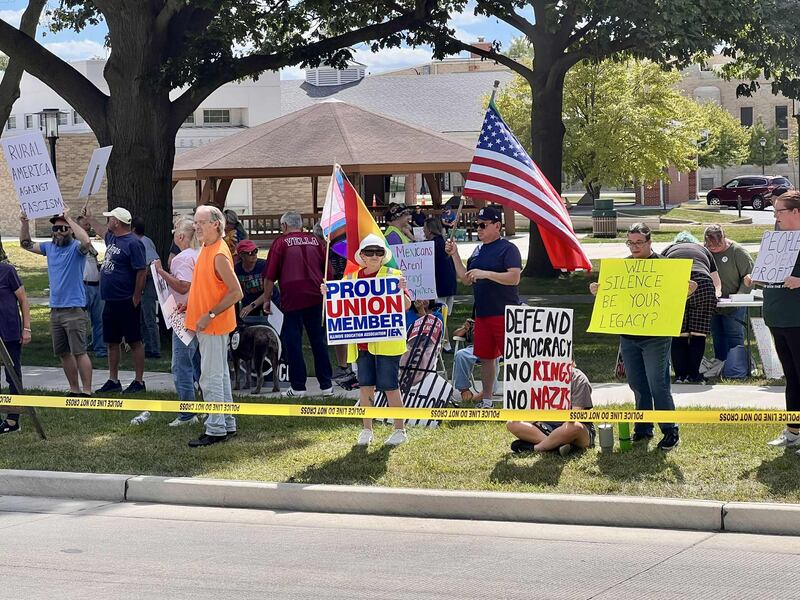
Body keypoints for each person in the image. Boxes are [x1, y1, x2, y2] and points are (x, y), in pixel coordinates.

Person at [589, 223, 688, 452]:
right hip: (629, 336)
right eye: (630, 242)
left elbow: (673, 300)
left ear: (650, 242)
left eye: (639, 242)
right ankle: (643, 429)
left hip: (656, 337)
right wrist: (600, 292)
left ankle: (670, 430)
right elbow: (617, 301)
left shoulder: (664, 267)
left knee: (658, 384)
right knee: (637, 384)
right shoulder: (622, 269)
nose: (634, 247)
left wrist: (686, 291)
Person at [323, 234, 411, 446]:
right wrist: (327, 293)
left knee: (391, 386)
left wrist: (401, 291)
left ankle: (400, 430)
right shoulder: (350, 279)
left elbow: (407, 305)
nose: (374, 256)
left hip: (387, 344)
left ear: (384, 255)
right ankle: (366, 429)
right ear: (361, 255)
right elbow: (338, 306)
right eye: (369, 252)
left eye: (378, 252)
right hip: (362, 344)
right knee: (365, 387)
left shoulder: (394, 275)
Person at [445, 206, 521, 409]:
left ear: (497, 226)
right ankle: (487, 401)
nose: (478, 228)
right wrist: (455, 254)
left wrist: (486, 274)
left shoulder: (508, 248)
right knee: (487, 359)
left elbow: (514, 277)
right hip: (483, 314)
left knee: (514, 359)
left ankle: (518, 401)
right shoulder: (477, 251)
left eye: (482, 225)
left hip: (505, 313)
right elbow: (465, 278)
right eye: (476, 225)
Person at [185, 205, 243, 447]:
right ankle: (226, 423)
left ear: (215, 224)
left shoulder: (218, 253)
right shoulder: (208, 249)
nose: (196, 227)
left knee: (210, 377)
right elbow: (205, 288)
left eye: (201, 222)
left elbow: (236, 292)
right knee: (217, 375)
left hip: (214, 325)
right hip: (211, 324)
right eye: (195, 222)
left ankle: (216, 427)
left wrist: (208, 314)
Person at [20, 208, 94, 396]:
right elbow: (25, 244)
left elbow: (86, 241)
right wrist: (25, 223)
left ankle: (87, 391)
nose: (59, 232)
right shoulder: (49, 248)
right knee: (63, 352)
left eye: (63, 228)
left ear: (70, 230)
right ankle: (74, 389)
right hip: (55, 310)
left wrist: (69, 218)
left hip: (74, 310)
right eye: (56, 229)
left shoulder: (77, 249)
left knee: (79, 352)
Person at [749, 191, 800, 451]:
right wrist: (755, 276)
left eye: (780, 211)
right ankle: (793, 431)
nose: (776, 217)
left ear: (795, 212)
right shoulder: (776, 241)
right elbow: (769, 271)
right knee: (791, 377)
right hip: (777, 316)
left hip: (797, 319)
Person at [263, 211, 333, 397]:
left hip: (292, 299)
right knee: (319, 341)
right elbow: (329, 272)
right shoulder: (316, 241)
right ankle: (326, 385)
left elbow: (270, 276)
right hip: (317, 297)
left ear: (285, 226)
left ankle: (298, 387)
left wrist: (267, 299)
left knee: (293, 342)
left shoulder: (280, 243)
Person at [86, 207, 148, 395]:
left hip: (126, 299)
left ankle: (139, 381)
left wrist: (136, 296)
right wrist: (89, 218)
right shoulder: (113, 238)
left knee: (134, 340)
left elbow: (141, 270)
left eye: (110, 218)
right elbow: (100, 230)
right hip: (110, 299)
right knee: (112, 341)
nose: (108, 221)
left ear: (117, 222)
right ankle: (113, 380)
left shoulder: (133, 243)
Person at [149, 216, 201, 427]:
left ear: (180, 237)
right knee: (199, 364)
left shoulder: (182, 258)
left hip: (184, 316)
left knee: (181, 365)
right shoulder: (200, 254)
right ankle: (207, 408)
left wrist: (161, 272)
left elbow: (182, 286)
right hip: (199, 314)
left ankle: (188, 413)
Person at [662, 231, 721, 384]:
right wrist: (715, 295)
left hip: (676, 281)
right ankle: (694, 374)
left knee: (678, 332)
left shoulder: (669, 249)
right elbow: (716, 281)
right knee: (698, 333)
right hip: (703, 282)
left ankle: (681, 375)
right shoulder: (704, 251)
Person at [506, 366, 595, 455]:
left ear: (572, 362)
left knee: (573, 427)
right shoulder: (541, 377)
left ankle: (534, 448)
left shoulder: (579, 380)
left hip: (576, 430)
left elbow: (574, 417)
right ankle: (557, 445)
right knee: (512, 423)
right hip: (547, 427)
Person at [704, 224, 754, 361]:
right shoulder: (705, 252)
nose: (713, 248)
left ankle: (737, 364)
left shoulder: (738, 252)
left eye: (717, 245)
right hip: (714, 303)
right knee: (717, 333)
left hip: (735, 302)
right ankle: (721, 363)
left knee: (734, 333)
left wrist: (739, 297)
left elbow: (749, 277)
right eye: (710, 246)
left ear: (724, 238)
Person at [0, 261, 31, 434]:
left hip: (9, 333)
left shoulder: (7, 270)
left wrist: (26, 328)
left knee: (13, 376)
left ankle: (13, 420)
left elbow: (23, 299)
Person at [76, 215, 106, 359]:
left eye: (88, 225)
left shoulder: (91, 244)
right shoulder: (76, 244)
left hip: (97, 285)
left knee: (99, 319)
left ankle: (99, 347)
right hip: (83, 285)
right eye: (85, 225)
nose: (88, 227)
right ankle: (81, 349)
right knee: (81, 320)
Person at [424, 216, 457, 351]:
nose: (423, 231)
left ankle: (446, 345)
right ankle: (444, 343)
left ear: (430, 230)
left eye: (424, 228)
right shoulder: (443, 242)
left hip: (440, 286)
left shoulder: (432, 245)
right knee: (444, 315)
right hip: (450, 285)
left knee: (439, 316)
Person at [131, 216, 161, 359]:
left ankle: (154, 348)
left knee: (149, 317)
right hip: (141, 284)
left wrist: (142, 280)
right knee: (142, 317)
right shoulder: (142, 241)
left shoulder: (144, 242)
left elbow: (151, 264)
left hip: (148, 284)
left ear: (134, 229)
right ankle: (146, 346)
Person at [235, 239, 280, 321]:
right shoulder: (236, 269)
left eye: (255, 251)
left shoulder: (264, 266)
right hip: (250, 301)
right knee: (249, 325)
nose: (254, 254)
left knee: (273, 326)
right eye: (250, 253)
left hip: (269, 300)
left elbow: (270, 291)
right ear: (241, 255)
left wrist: (251, 306)